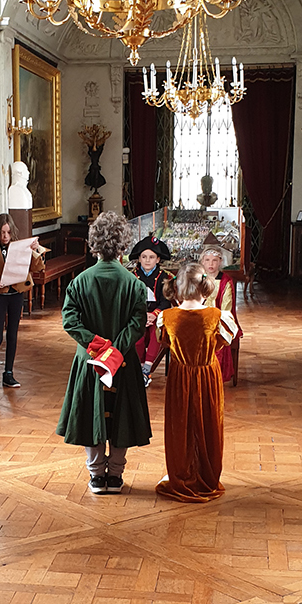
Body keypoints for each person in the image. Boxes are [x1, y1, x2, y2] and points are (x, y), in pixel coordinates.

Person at [57, 211, 152, 493]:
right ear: (123, 247)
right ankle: (116, 476)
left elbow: (70, 321)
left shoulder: (79, 282)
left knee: (91, 412)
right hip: (123, 362)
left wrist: (98, 349)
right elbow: (138, 323)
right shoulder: (135, 284)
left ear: (93, 244)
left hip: (89, 362)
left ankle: (96, 475)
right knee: (122, 414)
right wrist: (115, 351)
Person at [156, 261, 227, 502]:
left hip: (179, 377)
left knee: (180, 425)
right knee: (209, 424)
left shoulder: (166, 317)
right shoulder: (218, 316)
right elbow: (223, 342)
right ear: (205, 287)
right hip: (208, 376)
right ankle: (207, 476)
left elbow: (164, 342)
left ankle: (181, 474)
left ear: (176, 289)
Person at [0, 213, 43, 388]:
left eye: (8, 232)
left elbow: (38, 267)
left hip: (16, 294)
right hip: (0, 296)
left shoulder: (20, 248)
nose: (5, 236)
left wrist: (35, 250)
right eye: (2, 232)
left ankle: (9, 373)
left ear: (13, 233)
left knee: (12, 334)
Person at [128, 234, 174, 384]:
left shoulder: (165, 277)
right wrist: (142, 315)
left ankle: (147, 368)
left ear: (158, 259)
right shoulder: (131, 276)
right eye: (144, 257)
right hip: (137, 316)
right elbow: (128, 300)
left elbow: (166, 301)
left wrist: (153, 315)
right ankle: (141, 369)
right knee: (137, 337)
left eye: (151, 257)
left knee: (157, 333)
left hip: (156, 317)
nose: (147, 260)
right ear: (139, 259)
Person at [198, 245, 242, 384]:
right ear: (202, 262)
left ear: (220, 262)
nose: (211, 264)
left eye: (215, 260)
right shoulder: (197, 279)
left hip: (218, 320)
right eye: (207, 260)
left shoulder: (225, 281)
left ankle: (215, 374)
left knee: (215, 336)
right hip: (199, 320)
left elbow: (226, 309)